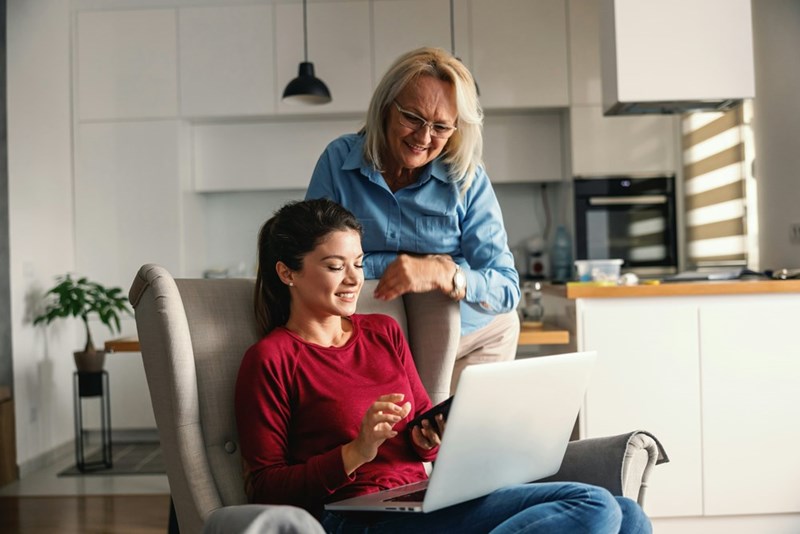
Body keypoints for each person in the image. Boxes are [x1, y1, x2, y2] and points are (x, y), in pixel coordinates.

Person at [235, 198, 652, 534]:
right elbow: (266, 486)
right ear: (287, 272)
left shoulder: (382, 332)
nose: (353, 279)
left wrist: (434, 432)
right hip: (356, 517)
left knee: (628, 514)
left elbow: (421, 436)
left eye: (359, 264)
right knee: (593, 505)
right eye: (334, 266)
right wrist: (355, 451)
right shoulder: (272, 359)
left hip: (424, 497)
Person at [305, 47, 520, 393]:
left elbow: (507, 288)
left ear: (457, 129)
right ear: (387, 107)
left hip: (469, 337)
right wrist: (407, 266)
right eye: (413, 118)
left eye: (440, 127)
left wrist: (447, 274)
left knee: (461, 440)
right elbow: (314, 261)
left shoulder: (467, 178)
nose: (423, 138)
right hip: (370, 336)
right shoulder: (337, 160)